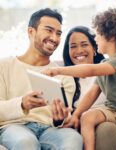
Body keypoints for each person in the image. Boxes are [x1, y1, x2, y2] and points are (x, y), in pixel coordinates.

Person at [43, 8, 116, 150]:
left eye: (97, 34)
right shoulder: (105, 65)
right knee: (87, 117)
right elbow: (92, 93)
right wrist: (76, 115)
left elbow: (91, 70)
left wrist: (58, 70)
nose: (96, 39)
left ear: (111, 37)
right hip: (112, 109)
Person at [0, 8, 83, 150]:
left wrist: (59, 119)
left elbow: (63, 117)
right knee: (26, 142)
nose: (55, 38)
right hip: (15, 126)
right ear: (31, 32)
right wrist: (22, 103)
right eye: (49, 30)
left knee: (73, 138)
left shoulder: (64, 74)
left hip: (50, 129)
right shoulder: (4, 66)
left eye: (58, 33)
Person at [63, 26, 105, 108]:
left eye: (84, 45)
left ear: (94, 49)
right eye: (73, 46)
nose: (79, 51)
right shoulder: (64, 80)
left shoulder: (107, 73)